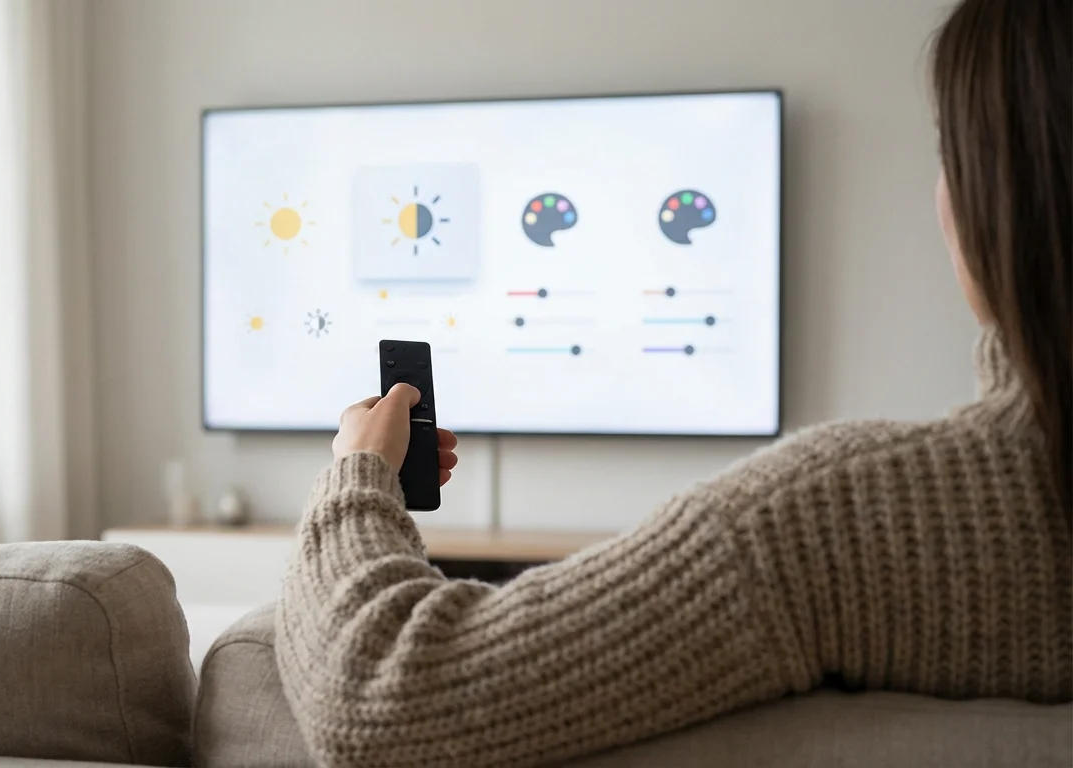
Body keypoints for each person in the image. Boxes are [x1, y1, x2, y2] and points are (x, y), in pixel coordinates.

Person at [274, 0, 1071, 765]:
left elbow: (383, 696)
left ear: (997, 194)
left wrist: (360, 476)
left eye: (946, 152)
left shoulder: (844, 519)